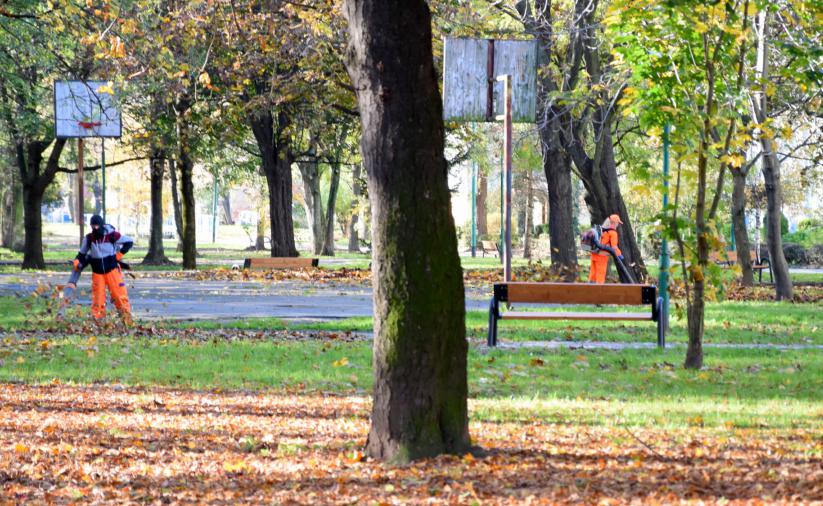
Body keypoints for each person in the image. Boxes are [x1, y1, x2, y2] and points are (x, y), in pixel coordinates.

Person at [68, 215, 134, 325]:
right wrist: (77, 263)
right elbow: (81, 254)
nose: (95, 228)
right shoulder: (89, 238)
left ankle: (127, 320)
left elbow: (129, 242)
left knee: (119, 296)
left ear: (102, 225)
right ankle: (98, 322)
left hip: (112, 271)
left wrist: (118, 255)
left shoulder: (112, 235)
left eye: (97, 226)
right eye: (93, 226)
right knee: (98, 299)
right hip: (98, 273)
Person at [588, 214, 623, 284]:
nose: (618, 225)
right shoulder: (613, 233)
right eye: (618, 223)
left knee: (592, 275)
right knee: (600, 276)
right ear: (614, 223)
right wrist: (620, 255)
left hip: (594, 254)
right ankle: (599, 292)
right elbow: (614, 247)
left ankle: (590, 290)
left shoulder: (601, 229)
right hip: (602, 257)